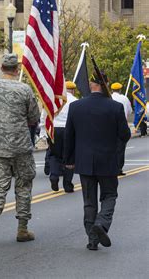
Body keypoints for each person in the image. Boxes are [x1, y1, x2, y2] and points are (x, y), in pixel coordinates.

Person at [64, 71, 130, 251]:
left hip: (84, 161)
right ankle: (101, 223)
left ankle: (92, 240)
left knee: (89, 201)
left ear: (92, 85)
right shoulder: (115, 107)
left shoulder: (76, 106)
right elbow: (125, 135)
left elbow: (69, 135)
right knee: (109, 196)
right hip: (108, 160)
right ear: (105, 84)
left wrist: (69, 159)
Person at [0, 54, 40, 245]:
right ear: (17, 69)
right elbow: (34, 117)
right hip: (21, 146)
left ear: (2, 68)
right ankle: (22, 229)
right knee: (23, 186)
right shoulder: (25, 89)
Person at [48, 81, 78, 193]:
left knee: (54, 155)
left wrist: (43, 131)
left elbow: (45, 114)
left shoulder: (54, 99)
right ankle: (67, 184)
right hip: (69, 130)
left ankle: (54, 176)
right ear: (73, 90)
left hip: (55, 129)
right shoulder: (75, 101)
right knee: (69, 157)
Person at [111, 82, 132, 175]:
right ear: (120, 90)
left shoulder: (109, 97)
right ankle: (118, 168)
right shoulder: (124, 98)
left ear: (112, 90)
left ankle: (110, 166)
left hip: (110, 126)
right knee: (120, 149)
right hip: (121, 125)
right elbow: (129, 111)